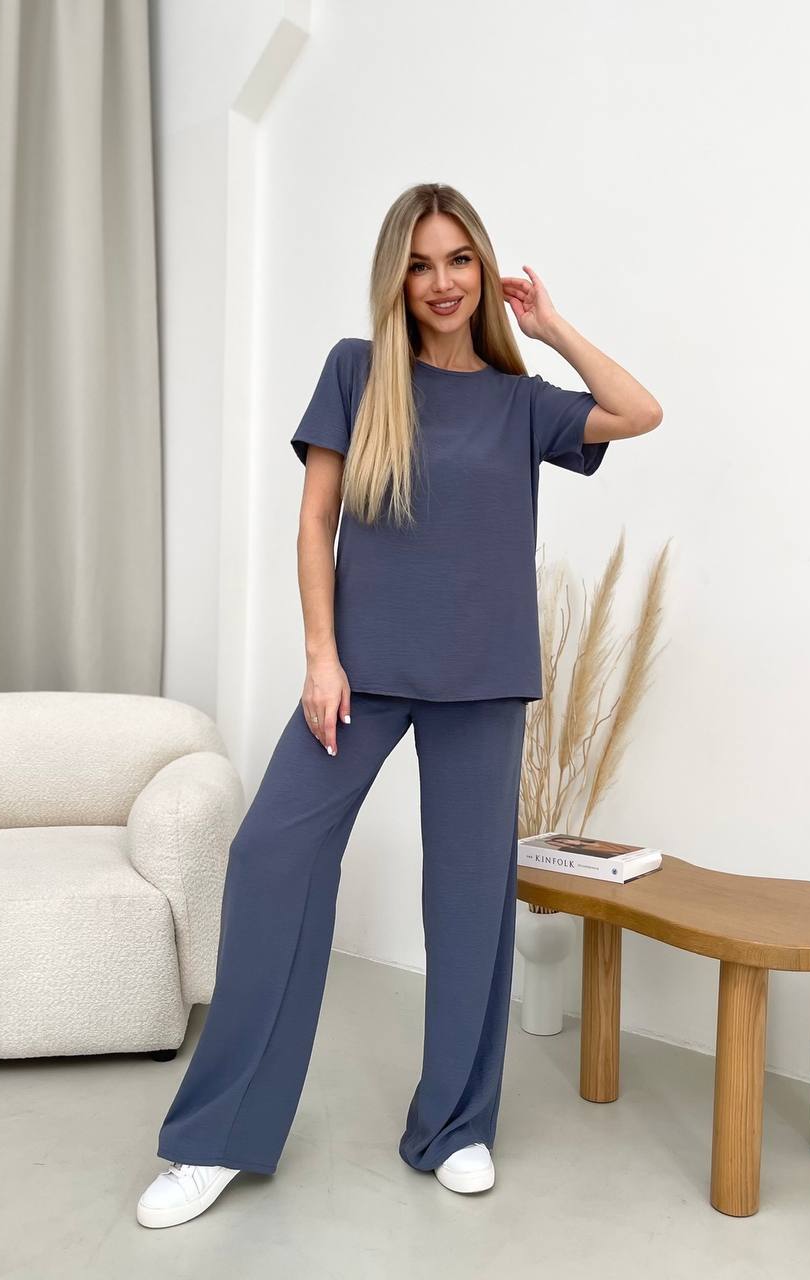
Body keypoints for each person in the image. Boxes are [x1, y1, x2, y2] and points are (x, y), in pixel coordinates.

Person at [136, 182, 662, 1228]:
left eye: (459, 260)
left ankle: (455, 1126)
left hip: (481, 681)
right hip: (359, 676)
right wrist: (320, 656)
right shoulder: (357, 370)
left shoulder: (519, 403)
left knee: (466, 903)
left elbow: (638, 411)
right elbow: (315, 521)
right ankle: (213, 1138)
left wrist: (549, 326)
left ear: (484, 271)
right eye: (420, 264)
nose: (441, 282)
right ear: (396, 276)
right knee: (271, 859)